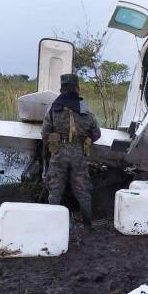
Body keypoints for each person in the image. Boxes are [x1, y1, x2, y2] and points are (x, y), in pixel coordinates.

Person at [41, 74, 101, 227]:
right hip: (79, 154)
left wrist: (54, 144)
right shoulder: (85, 109)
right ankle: (88, 225)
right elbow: (96, 133)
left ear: (61, 89)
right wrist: (84, 141)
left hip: (59, 153)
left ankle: (52, 225)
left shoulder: (54, 108)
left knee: (55, 191)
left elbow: (44, 133)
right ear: (77, 89)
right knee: (83, 190)